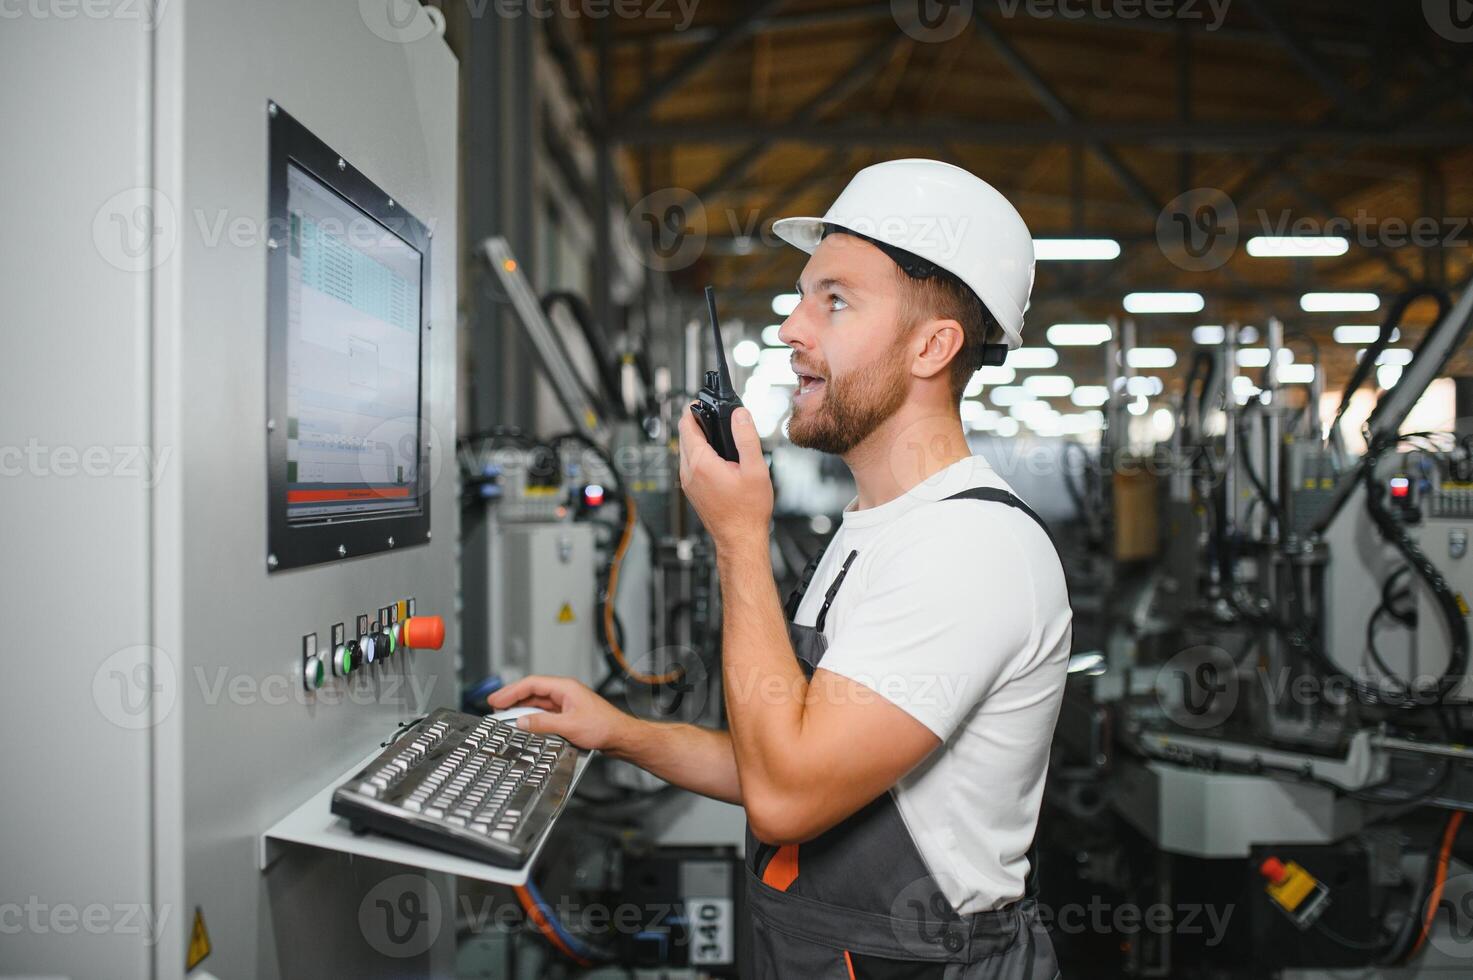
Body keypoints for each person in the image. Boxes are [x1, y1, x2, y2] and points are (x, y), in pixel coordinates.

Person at [490, 159, 1072, 978]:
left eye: (833, 300)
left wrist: (737, 536)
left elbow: (788, 796)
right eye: (803, 296)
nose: (792, 328)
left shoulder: (969, 552)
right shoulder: (872, 529)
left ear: (931, 346)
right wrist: (618, 733)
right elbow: (788, 757)